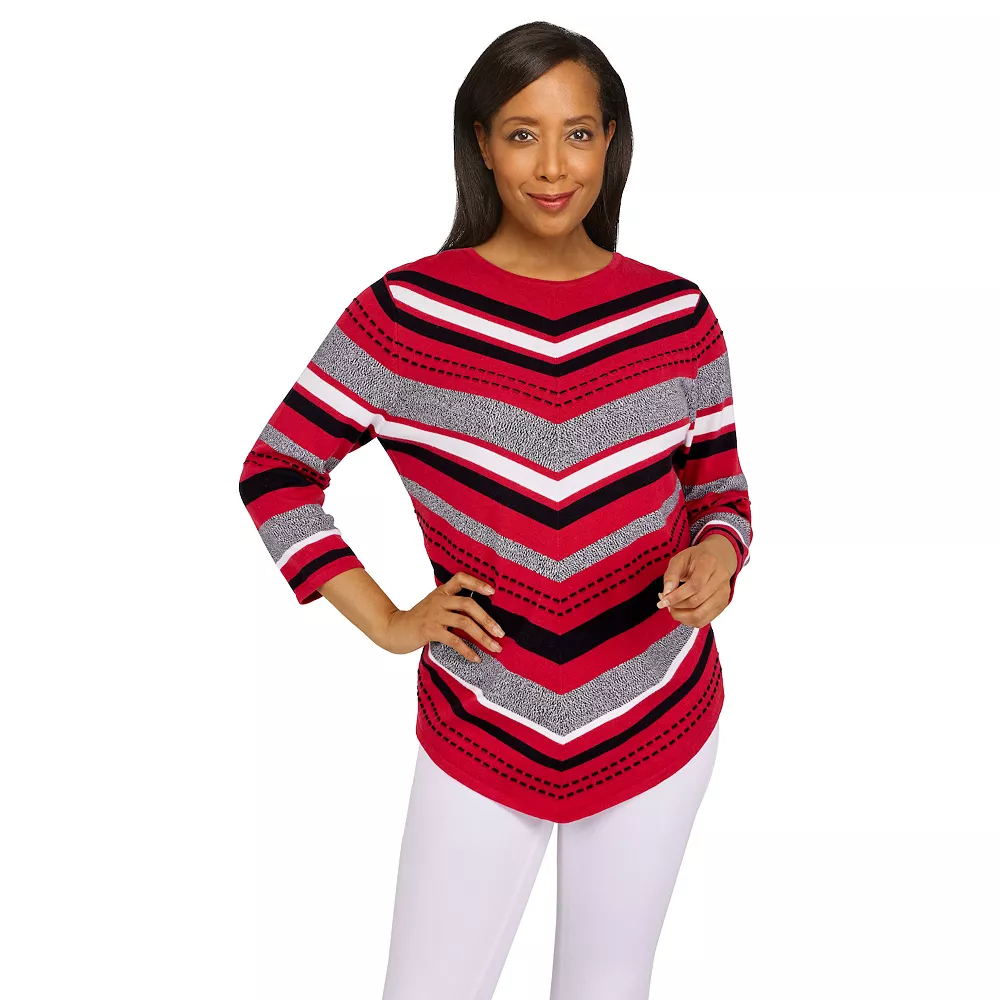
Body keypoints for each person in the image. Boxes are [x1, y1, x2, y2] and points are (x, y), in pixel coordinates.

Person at [238, 20, 752, 1000]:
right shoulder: (404, 317)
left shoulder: (677, 318)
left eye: (578, 133)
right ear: (480, 142)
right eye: (522, 134)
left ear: (612, 141)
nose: (553, 166)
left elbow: (720, 492)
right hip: (482, 716)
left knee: (607, 986)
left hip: (656, 707)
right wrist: (389, 621)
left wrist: (719, 558)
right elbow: (277, 472)